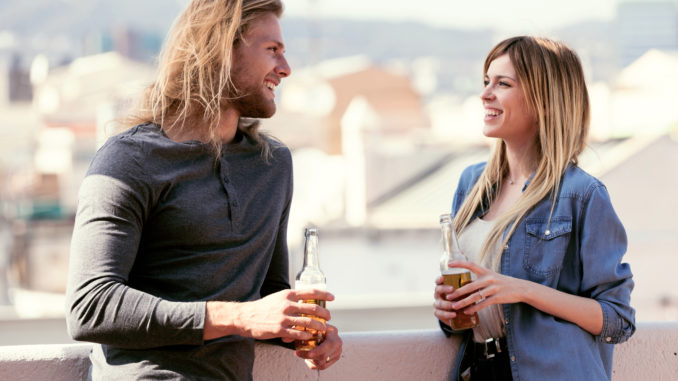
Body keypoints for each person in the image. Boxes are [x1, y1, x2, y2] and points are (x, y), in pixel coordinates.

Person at [65, 1, 342, 380]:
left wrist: (303, 331)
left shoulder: (273, 165)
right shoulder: (128, 159)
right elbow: (90, 307)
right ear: (220, 48)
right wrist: (240, 317)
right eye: (272, 50)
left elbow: (267, 295)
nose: (285, 68)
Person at [433, 36, 635, 381]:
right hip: (480, 370)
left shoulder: (582, 195)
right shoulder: (471, 184)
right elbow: (468, 315)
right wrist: (448, 311)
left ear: (543, 99)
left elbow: (617, 319)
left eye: (503, 84)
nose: (485, 94)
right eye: (486, 82)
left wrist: (522, 290)